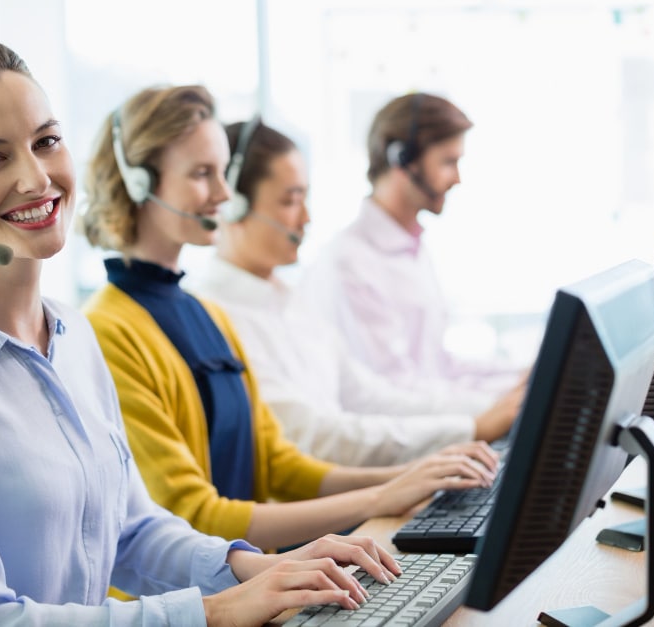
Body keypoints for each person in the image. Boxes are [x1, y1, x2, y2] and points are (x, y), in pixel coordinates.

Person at [0, 38, 412, 627]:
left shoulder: (72, 336)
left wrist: (262, 569)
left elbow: (129, 532)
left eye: (46, 141)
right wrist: (213, 612)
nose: (37, 178)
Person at [79, 84, 500, 554]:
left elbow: (278, 463)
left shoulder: (204, 314)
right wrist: (381, 495)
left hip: (251, 580)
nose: (223, 193)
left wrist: (410, 478)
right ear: (138, 182)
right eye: (202, 173)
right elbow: (195, 515)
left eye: (222, 173)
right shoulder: (106, 330)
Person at [184, 118, 523, 467]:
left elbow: (372, 396)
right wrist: (471, 428)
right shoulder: (215, 317)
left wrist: (490, 411)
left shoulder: (292, 302)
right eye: (290, 201)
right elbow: (313, 436)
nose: (306, 219)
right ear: (234, 204)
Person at [292, 92, 530, 405]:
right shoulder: (350, 262)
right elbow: (394, 391)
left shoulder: (412, 249)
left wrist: (524, 378)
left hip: (435, 426)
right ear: (401, 159)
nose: (457, 179)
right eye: (448, 162)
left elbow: (438, 369)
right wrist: (503, 403)